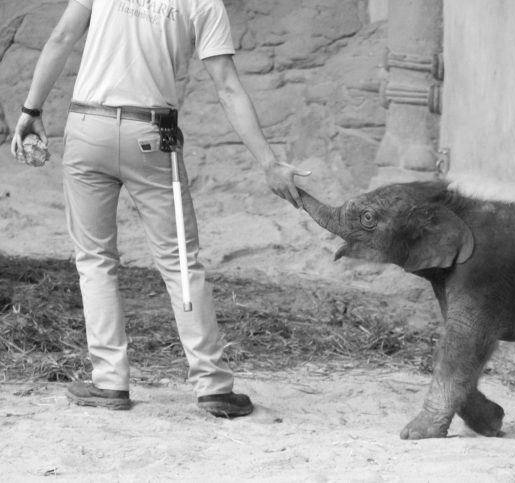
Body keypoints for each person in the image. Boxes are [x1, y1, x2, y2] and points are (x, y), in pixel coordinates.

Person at [10, 0, 309, 417]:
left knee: (94, 259)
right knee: (180, 261)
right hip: (151, 135)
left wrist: (31, 109)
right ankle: (212, 386)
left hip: (87, 128)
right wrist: (267, 161)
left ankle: (110, 382)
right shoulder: (204, 3)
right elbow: (226, 85)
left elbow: (61, 37)